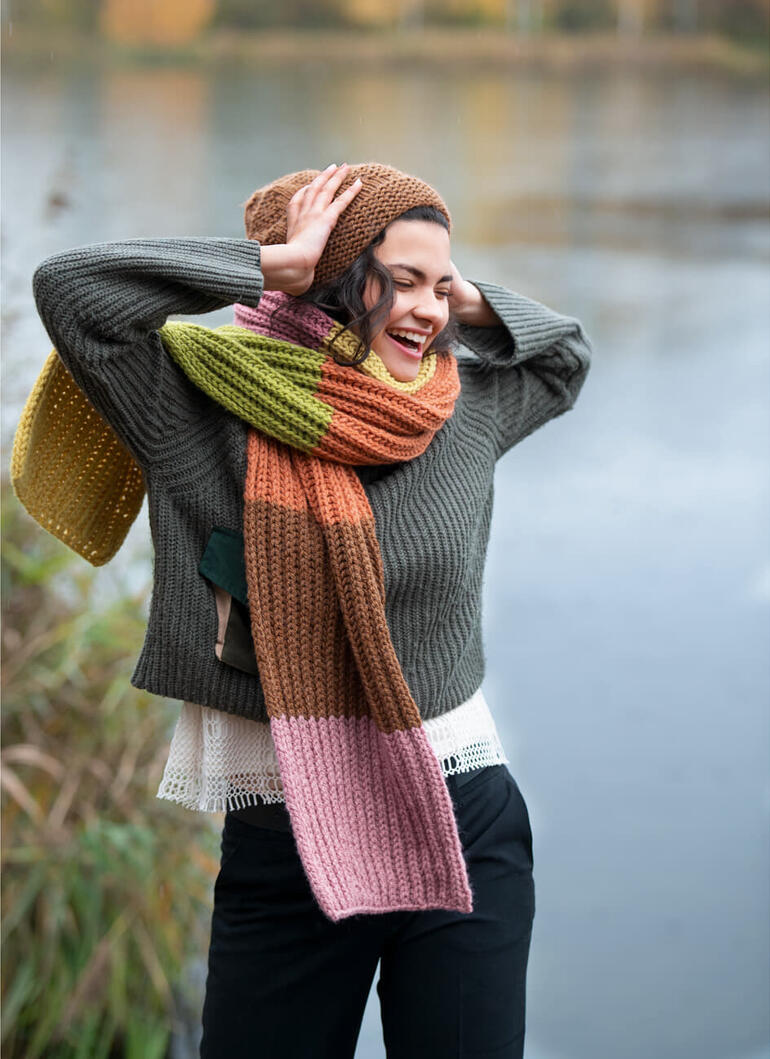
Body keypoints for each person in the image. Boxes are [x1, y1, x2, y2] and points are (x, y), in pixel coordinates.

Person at [21, 162, 592, 1058]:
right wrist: (264, 266)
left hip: (463, 822)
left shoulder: (458, 407)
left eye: (440, 285)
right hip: (287, 841)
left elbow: (565, 359)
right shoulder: (194, 409)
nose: (428, 310)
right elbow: (74, 292)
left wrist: (467, 299)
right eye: (399, 280)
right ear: (330, 279)